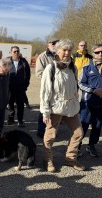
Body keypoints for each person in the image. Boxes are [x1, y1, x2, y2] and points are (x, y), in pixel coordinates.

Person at [40, 39, 85, 172]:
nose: (67, 53)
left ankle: (70, 159)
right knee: (50, 136)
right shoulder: (51, 68)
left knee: (78, 133)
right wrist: (45, 112)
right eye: (64, 50)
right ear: (57, 51)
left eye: (69, 50)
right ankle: (47, 160)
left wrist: (76, 101)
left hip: (71, 106)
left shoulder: (73, 67)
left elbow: (75, 87)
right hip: (55, 107)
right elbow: (45, 92)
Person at [78, 44, 102, 157]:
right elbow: (81, 84)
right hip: (87, 102)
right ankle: (76, 147)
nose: (100, 54)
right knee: (83, 125)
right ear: (93, 54)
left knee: (97, 126)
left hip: (100, 104)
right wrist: (93, 90)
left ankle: (91, 145)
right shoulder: (86, 68)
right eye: (97, 52)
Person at [35, 38, 59, 138]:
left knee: (55, 110)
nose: (54, 45)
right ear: (48, 44)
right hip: (47, 88)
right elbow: (39, 73)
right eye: (52, 43)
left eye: (56, 43)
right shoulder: (42, 56)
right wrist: (51, 80)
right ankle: (41, 131)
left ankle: (52, 131)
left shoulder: (59, 55)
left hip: (58, 89)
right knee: (44, 109)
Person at [7, 46, 31, 127]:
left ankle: (20, 121)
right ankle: (10, 119)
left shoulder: (24, 62)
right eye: (14, 51)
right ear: (10, 52)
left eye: (17, 51)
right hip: (9, 87)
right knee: (10, 104)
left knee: (20, 105)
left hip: (20, 88)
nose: (16, 53)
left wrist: (25, 85)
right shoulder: (7, 61)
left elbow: (28, 75)